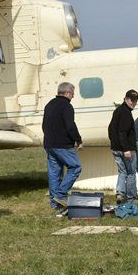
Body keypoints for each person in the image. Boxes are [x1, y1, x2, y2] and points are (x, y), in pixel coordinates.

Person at [42, 82, 83, 216]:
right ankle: (60, 194)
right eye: (72, 93)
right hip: (63, 145)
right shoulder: (67, 106)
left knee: (54, 172)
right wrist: (78, 140)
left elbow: (44, 125)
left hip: (49, 144)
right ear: (67, 93)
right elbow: (70, 126)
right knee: (75, 167)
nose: (73, 96)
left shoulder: (49, 105)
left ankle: (54, 203)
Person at [108, 89, 138, 204]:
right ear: (126, 99)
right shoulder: (126, 113)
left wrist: (113, 143)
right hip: (126, 149)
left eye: (135, 101)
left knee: (122, 172)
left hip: (115, 148)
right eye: (132, 100)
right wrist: (126, 149)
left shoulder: (117, 111)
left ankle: (120, 194)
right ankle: (131, 198)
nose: (134, 103)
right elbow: (122, 132)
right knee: (131, 173)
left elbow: (110, 129)